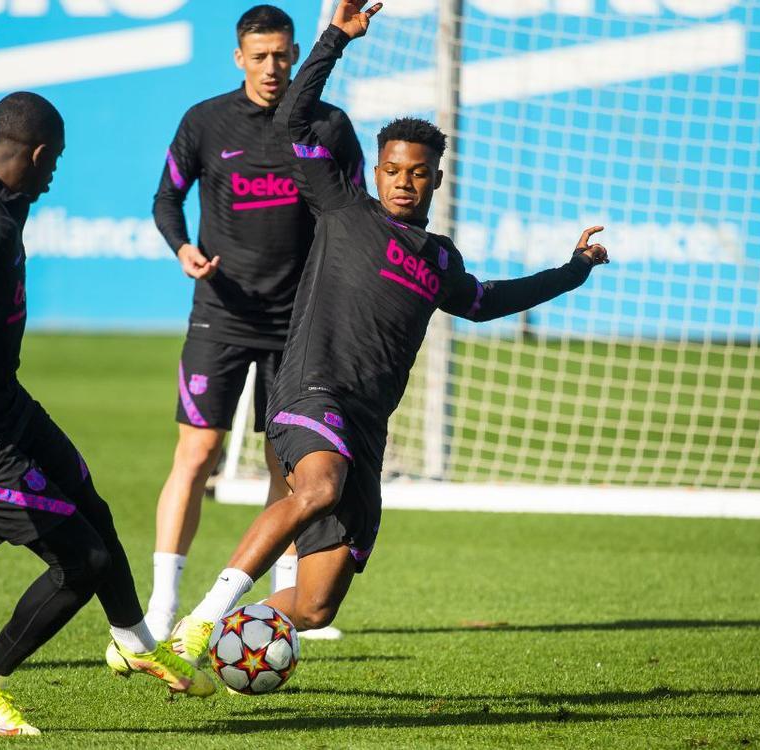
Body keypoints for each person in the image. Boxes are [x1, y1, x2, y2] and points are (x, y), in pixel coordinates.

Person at [168, 0, 610, 672]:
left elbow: (490, 302)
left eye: (418, 172)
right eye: (393, 170)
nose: (404, 181)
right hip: (311, 395)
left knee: (315, 607)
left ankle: (224, 639)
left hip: (365, 429)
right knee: (312, 489)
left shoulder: (439, 260)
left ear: (437, 177)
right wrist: (335, 39)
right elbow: (293, 118)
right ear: (375, 172)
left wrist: (572, 273)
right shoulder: (341, 206)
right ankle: (199, 621)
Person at [0, 91, 212, 738]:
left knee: (93, 505)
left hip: (7, 408)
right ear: (35, 155)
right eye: (54, 158)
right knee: (81, 561)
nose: (56, 171)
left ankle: (136, 639)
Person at [147, 4, 365, 643]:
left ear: (297, 54)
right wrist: (182, 247)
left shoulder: (327, 124)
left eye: (283, 54)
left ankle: (281, 605)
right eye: (260, 56)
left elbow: (351, 212)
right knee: (198, 453)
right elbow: (166, 196)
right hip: (219, 319)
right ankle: (163, 603)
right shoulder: (205, 121)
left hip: (300, 328)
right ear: (239, 58)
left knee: (288, 465)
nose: (273, 67)